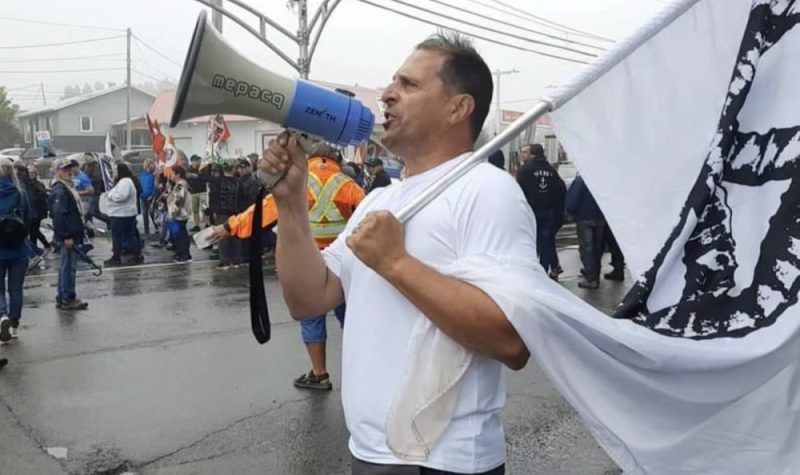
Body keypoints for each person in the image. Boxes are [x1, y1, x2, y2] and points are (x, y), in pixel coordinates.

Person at [260, 33, 530, 474]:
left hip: (444, 461)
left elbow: (511, 342)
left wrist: (396, 263)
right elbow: (310, 298)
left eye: (408, 84)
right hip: (369, 451)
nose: (387, 94)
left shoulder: (487, 191)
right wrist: (291, 203)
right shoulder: (379, 200)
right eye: (392, 82)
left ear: (458, 108)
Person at [211, 146, 365, 390]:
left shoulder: (298, 183)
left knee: (312, 318)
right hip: (344, 263)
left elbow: (262, 211)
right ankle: (361, 371)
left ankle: (319, 374)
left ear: (309, 159)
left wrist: (229, 227)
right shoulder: (349, 185)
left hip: (307, 262)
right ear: (336, 160)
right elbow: (368, 220)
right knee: (353, 319)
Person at [516, 143, 566, 280]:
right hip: (549, 211)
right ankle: (547, 269)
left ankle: (537, 271)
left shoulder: (525, 170)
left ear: (532, 154)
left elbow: (518, 191)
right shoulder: (551, 170)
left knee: (533, 242)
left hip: (531, 211)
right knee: (546, 241)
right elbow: (560, 189)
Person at [0, 158, 34, 343]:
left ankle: (1, 316)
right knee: (16, 289)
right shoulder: (20, 192)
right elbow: (29, 217)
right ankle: (14, 324)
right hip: (19, 248)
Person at [49, 158, 89, 311]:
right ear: (58, 172)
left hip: (72, 232)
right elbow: (59, 215)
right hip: (68, 235)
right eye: (65, 170)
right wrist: (66, 235)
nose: (69, 172)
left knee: (66, 266)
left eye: (70, 169)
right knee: (68, 267)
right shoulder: (60, 190)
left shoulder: (68, 187)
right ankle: (68, 298)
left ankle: (62, 297)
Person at [565, 175, 605, 289]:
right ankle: (595, 274)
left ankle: (591, 277)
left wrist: (572, 213)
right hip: (600, 217)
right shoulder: (601, 179)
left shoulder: (582, 179)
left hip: (585, 217)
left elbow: (573, 200)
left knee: (587, 248)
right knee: (597, 248)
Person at [105, 162, 143, 266]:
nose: (114, 173)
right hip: (122, 213)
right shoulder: (123, 181)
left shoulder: (125, 182)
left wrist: (110, 196)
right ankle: (136, 254)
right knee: (129, 235)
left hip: (122, 214)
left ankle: (117, 256)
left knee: (118, 236)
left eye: (116, 170)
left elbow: (122, 196)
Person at [15, 163, 50, 255]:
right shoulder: (27, 183)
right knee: (33, 231)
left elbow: (40, 196)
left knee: (31, 232)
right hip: (33, 212)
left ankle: (35, 250)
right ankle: (40, 247)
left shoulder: (25, 183)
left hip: (33, 212)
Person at [215, 161, 244, 269]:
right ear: (233, 170)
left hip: (222, 213)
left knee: (222, 237)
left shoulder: (218, 182)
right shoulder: (239, 183)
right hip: (236, 213)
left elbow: (214, 198)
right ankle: (236, 260)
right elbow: (242, 199)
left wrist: (213, 211)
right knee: (236, 236)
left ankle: (224, 261)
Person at [167, 165, 192, 264]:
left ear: (178, 174)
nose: (171, 175)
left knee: (180, 235)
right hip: (180, 213)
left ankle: (184, 255)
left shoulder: (180, 185)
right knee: (179, 234)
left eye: (172, 173)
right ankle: (182, 253)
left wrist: (174, 212)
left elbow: (179, 199)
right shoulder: (179, 184)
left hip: (179, 214)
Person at [82, 153, 107, 229]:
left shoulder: (96, 166)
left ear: (92, 158)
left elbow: (97, 178)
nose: (86, 159)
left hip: (95, 191)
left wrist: (86, 181)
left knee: (93, 211)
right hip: (86, 192)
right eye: (85, 158)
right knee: (88, 212)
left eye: (88, 157)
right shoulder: (84, 166)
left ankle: (109, 220)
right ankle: (89, 229)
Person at [187, 155, 208, 232]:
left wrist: (197, 176)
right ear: (192, 161)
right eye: (196, 160)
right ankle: (196, 225)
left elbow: (206, 178)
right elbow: (186, 179)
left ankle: (206, 224)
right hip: (193, 192)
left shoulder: (202, 168)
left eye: (199, 160)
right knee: (195, 210)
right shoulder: (189, 170)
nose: (198, 162)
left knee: (204, 209)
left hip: (202, 191)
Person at [139, 159, 157, 235]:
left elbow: (155, 186)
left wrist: (152, 195)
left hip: (150, 197)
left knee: (152, 213)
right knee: (145, 214)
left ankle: (157, 227)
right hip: (143, 197)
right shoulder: (142, 174)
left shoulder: (154, 175)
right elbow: (141, 184)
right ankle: (146, 231)